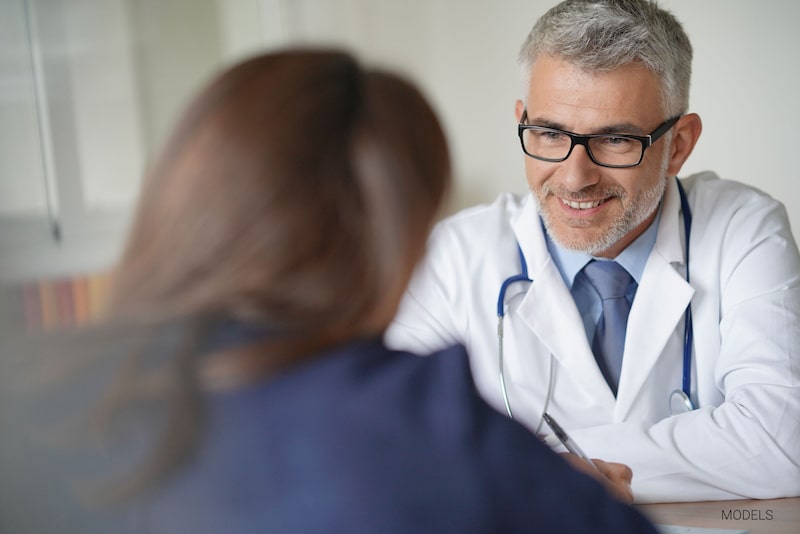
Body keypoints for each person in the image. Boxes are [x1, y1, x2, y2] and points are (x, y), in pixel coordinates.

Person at [0, 50, 657, 533]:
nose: (576, 172)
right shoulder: (431, 426)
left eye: (616, 138)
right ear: (394, 235)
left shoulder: (27, 389)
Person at [386, 0, 800, 503]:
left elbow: (784, 441)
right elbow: (391, 449)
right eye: (549, 133)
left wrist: (530, 469)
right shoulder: (452, 256)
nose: (575, 177)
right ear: (523, 121)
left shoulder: (743, 228)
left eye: (617, 140)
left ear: (680, 145)